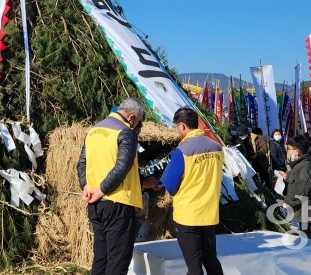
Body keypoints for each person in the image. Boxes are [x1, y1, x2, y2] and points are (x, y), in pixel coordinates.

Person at [76, 98, 146, 275]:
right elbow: (123, 166)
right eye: (137, 121)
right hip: (118, 203)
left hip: (95, 205)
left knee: (101, 257)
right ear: (131, 117)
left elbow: (81, 163)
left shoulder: (94, 130)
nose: (136, 125)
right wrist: (102, 190)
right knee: (118, 261)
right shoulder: (126, 132)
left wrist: (86, 186)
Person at [160, 107, 224, 275]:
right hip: (209, 214)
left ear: (182, 125)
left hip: (188, 215)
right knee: (211, 261)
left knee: (194, 267)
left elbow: (171, 184)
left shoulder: (182, 151)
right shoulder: (217, 147)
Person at [283, 134, 311, 241]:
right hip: (304, 209)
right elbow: (297, 180)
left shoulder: (304, 166)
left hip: (309, 209)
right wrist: (286, 177)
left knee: (309, 239)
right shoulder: (299, 165)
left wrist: (288, 202)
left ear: (297, 152)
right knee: (306, 238)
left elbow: (301, 188)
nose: (288, 151)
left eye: (289, 149)